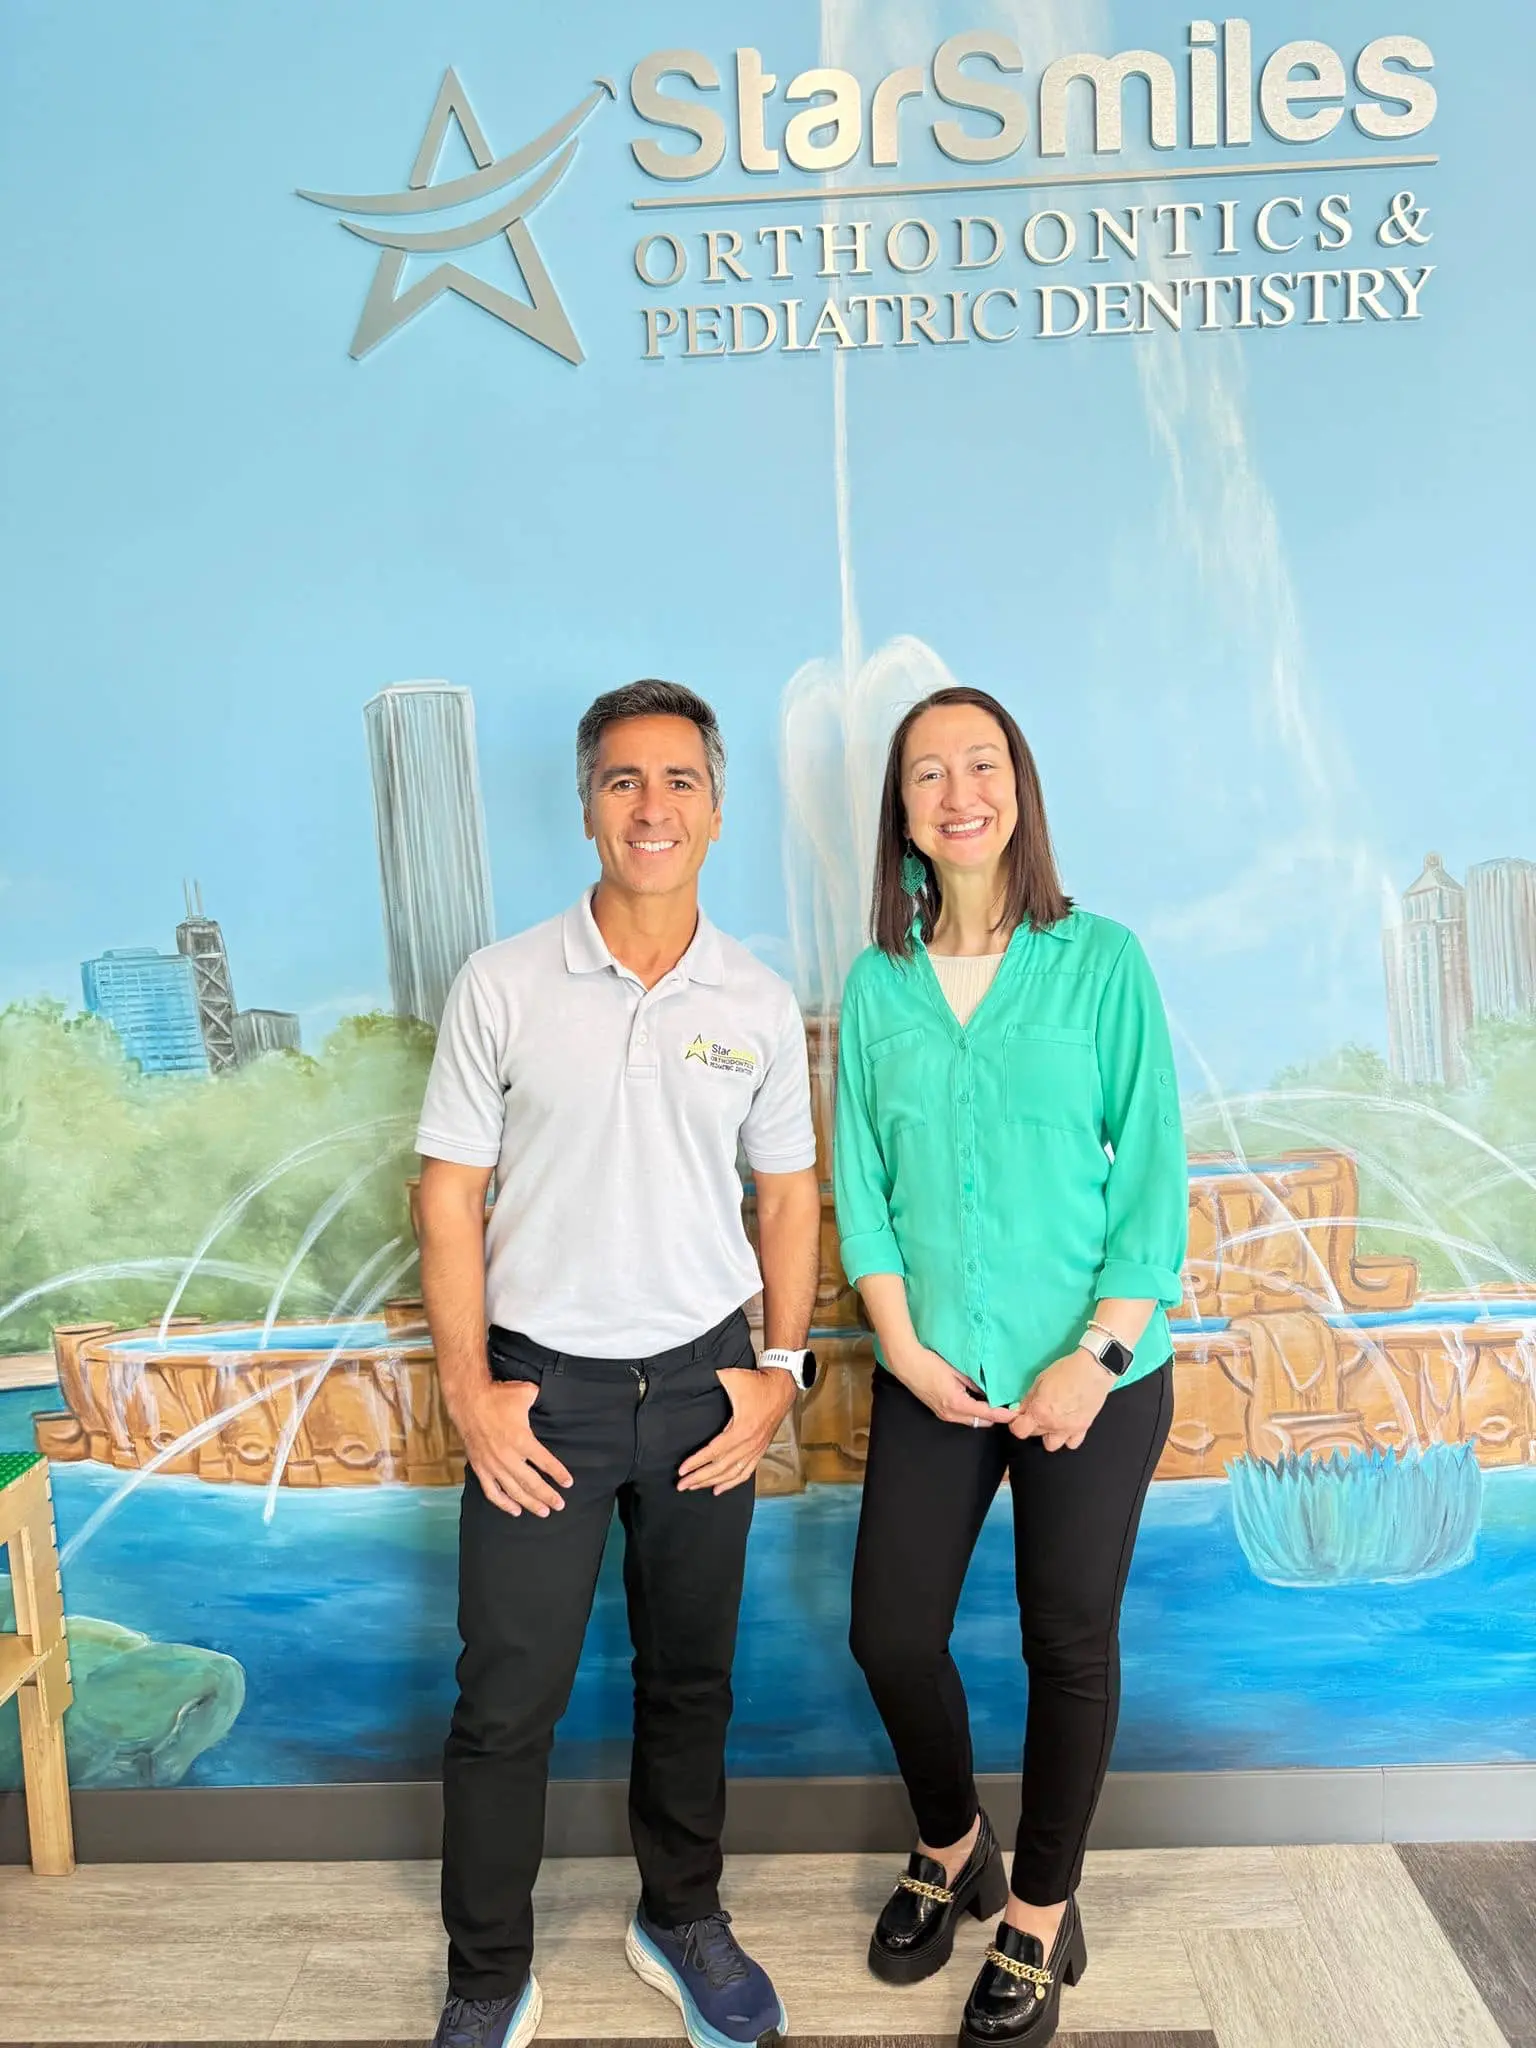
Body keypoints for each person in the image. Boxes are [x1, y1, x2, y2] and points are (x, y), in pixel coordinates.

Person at [415, 680, 822, 2048]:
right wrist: (470, 1388)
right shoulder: (505, 982)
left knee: (691, 1678)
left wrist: (779, 1370)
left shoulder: (755, 1000)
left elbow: (785, 1199)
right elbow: (447, 1193)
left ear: (717, 808)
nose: (652, 807)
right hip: (545, 1390)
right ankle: (485, 1975)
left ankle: (681, 1912)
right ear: (586, 804)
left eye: (679, 782)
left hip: (705, 1387)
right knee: (504, 1699)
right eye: (623, 782)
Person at [833, 686, 1187, 2048]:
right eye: (929, 772)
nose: (959, 791)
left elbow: (1152, 1189)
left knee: (1066, 1639)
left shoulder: (1101, 962)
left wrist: (1096, 1358)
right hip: (938, 1373)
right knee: (889, 1631)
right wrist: (904, 1349)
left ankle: (1038, 1912)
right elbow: (863, 1185)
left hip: (1093, 1373)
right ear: (903, 813)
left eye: (983, 764)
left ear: (1021, 789)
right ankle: (954, 1842)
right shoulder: (878, 984)